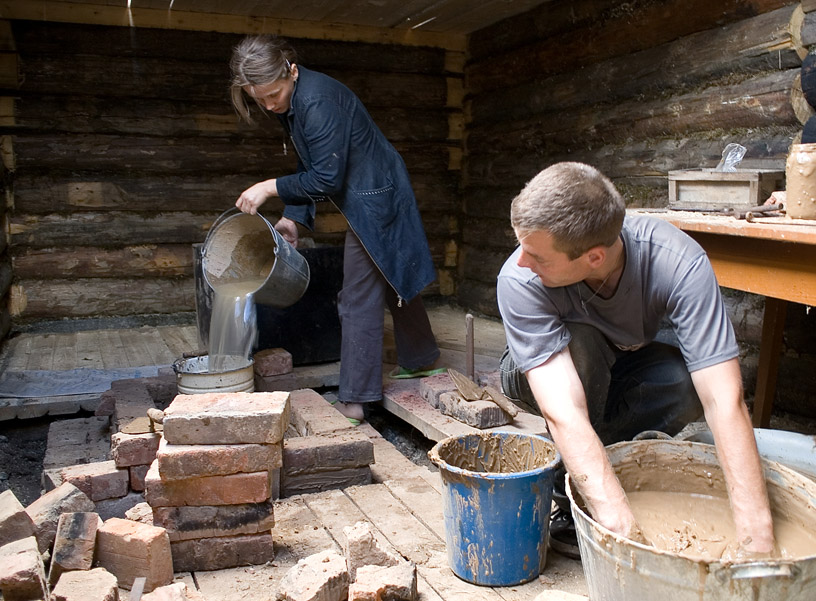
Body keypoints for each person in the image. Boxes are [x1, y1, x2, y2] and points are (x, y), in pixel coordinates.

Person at [497, 162, 775, 559]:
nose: (523, 261)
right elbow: (564, 411)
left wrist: (757, 536)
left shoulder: (678, 263)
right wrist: (621, 527)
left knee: (682, 382)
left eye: (538, 255)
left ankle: (601, 459)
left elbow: (723, 399)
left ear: (594, 258)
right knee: (582, 344)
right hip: (548, 370)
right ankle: (569, 491)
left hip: (623, 364)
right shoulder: (520, 279)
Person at [229, 34, 444, 423]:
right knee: (391, 275)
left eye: (273, 94)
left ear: (292, 71)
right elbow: (311, 164)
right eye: (259, 99)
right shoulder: (294, 100)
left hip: (376, 194)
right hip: (375, 186)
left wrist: (269, 187)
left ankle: (356, 400)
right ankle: (421, 358)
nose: (269, 105)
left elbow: (326, 178)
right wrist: (294, 217)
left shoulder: (318, 100)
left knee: (356, 297)